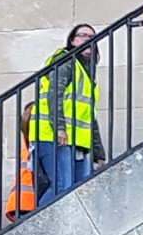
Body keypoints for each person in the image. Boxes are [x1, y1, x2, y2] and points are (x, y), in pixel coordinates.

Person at [27, 24, 104, 204]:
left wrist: (99, 153)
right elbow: (55, 96)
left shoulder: (86, 74)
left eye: (91, 36)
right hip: (52, 135)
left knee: (79, 192)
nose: (87, 39)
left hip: (76, 141)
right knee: (63, 187)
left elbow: (89, 116)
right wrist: (59, 128)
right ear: (72, 40)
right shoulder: (66, 61)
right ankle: (37, 223)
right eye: (82, 36)